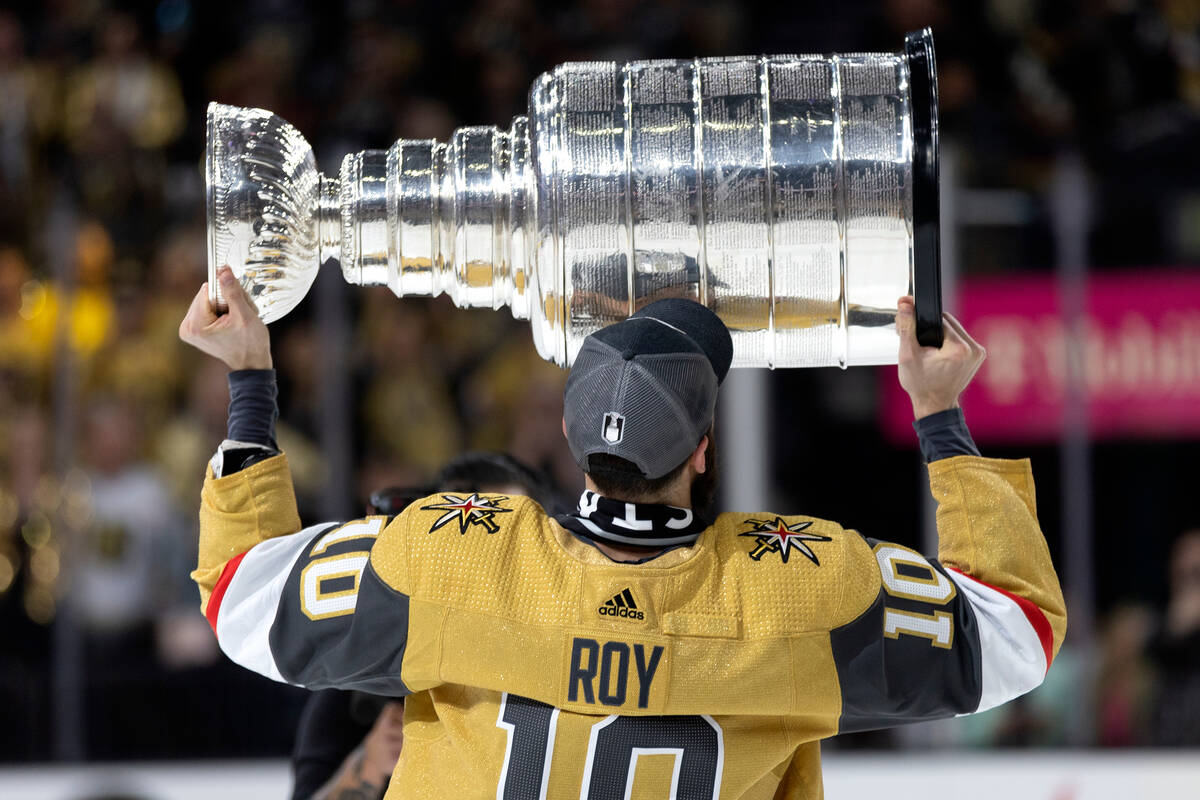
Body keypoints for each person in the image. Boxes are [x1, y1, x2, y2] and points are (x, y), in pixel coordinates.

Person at [181, 266, 1066, 798]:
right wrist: (941, 414)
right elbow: (1015, 635)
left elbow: (238, 594)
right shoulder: (802, 588)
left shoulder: (454, 558)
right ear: (706, 450)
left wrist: (252, 380)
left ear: (569, 437)